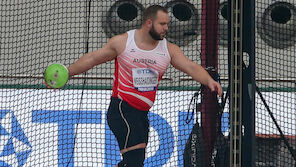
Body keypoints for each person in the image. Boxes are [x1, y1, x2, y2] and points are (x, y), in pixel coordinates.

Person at [65, 5, 222, 167]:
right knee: (134, 160)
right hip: (122, 110)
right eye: (162, 24)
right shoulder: (123, 42)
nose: (166, 28)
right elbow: (92, 59)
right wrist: (67, 72)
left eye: (167, 24)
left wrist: (208, 81)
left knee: (134, 162)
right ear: (148, 23)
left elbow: (191, 67)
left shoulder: (169, 49)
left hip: (142, 114)